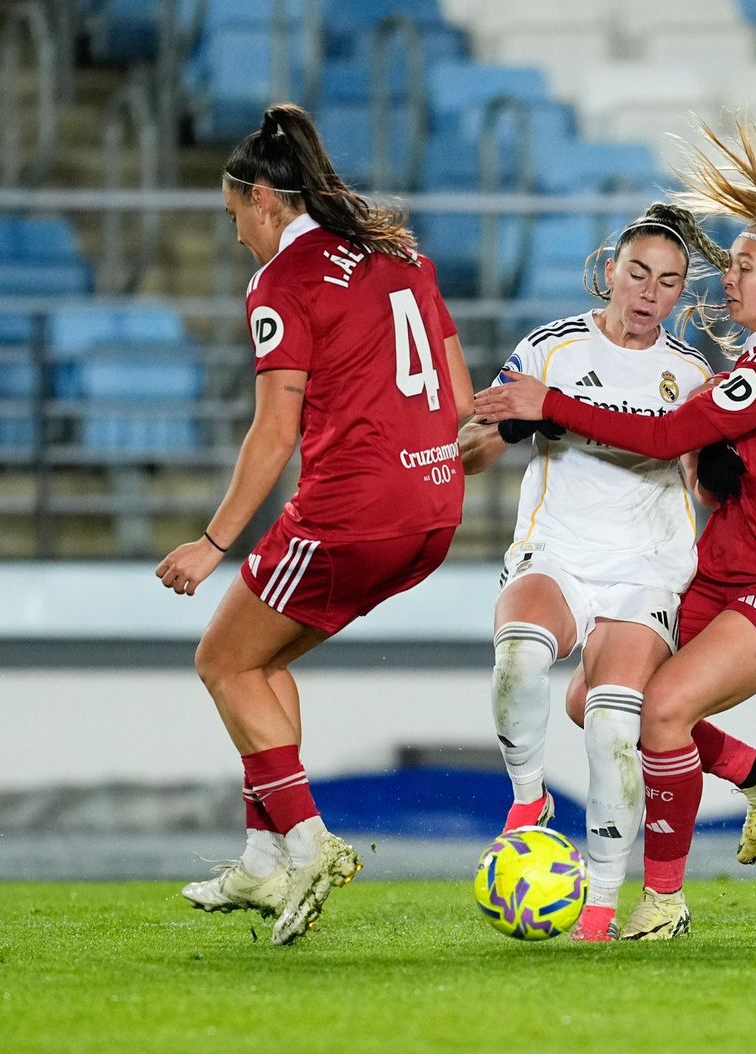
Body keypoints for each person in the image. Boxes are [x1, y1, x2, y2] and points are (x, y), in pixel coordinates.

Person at [474, 116, 756, 940]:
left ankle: (661, 900)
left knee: (659, 714)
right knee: (590, 701)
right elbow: (722, 461)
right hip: (722, 565)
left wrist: (550, 408)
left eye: (743, 269)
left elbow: (659, 437)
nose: (730, 281)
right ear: (611, 271)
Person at [155, 103, 472, 947]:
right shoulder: (401, 255)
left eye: (234, 218)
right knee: (264, 661)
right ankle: (263, 860)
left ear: (264, 199)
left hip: (353, 509)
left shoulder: (283, 282)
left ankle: (306, 843)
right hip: (435, 509)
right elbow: (462, 401)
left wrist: (214, 542)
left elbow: (273, 430)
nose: (236, 239)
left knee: (221, 658)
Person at [459, 202, 745, 942]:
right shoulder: (551, 347)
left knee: (615, 720)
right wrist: (481, 438)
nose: (650, 292)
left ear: (682, 293)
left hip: (646, 565)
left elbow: (709, 482)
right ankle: (528, 805)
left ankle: (600, 905)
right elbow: (482, 437)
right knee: (520, 651)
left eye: (670, 282)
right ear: (609, 271)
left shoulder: (689, 373)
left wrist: (728, 469)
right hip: (555, 549)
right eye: (639, 273)